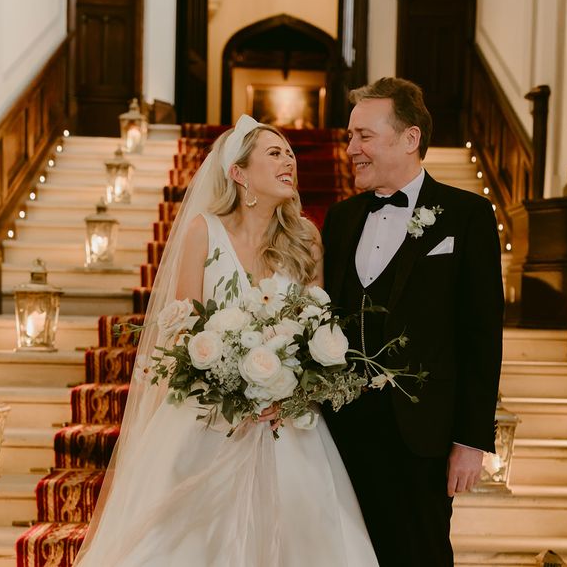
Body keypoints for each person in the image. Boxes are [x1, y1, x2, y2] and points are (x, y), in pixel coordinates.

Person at [74, 115, 378, 566]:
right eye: (274, 153)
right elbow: (181, 333)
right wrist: (229, 381)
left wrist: (289, 389)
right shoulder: (204, 231)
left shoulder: (306, 239)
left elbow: (318, 329)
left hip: (286, 425)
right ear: (238, 172)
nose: (288, 161)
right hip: (208, 421)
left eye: (290, 153)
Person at [322, 78, 504, 566]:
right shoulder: (340, 219)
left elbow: (481, 335)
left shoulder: (467, 216)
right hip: (340, 434)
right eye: (349, 136)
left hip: (421, 437)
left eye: (364, 136)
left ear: (410, 138)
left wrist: (471, 440)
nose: (351, 148)